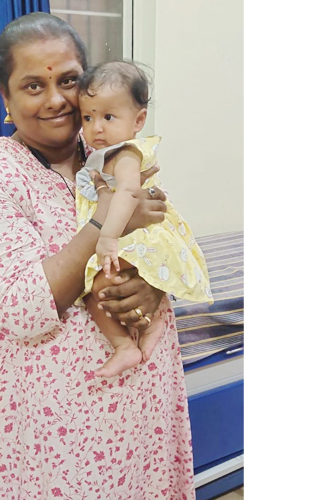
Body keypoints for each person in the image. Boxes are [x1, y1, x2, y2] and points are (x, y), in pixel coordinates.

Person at [0, 12, 195, 500]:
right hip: (47, 424)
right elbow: (22, 310)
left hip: (140, 408)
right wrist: (105, 221)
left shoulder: (114, 152)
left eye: (68, 80)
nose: (57, 99)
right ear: (5, 98)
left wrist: (152, 285)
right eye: (33, 86)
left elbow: (164, 239)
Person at [74, 61, 213, 378]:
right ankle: (138, 336)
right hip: (126, 233)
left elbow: (127, 194)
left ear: (138, 120)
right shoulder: (104, 154)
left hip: (135, 235)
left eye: (108, 117)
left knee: (99, 283)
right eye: (88, 117)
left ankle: (131, 340)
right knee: (94, 287)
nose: (96, 127)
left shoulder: (126, 154)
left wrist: (107, 237)